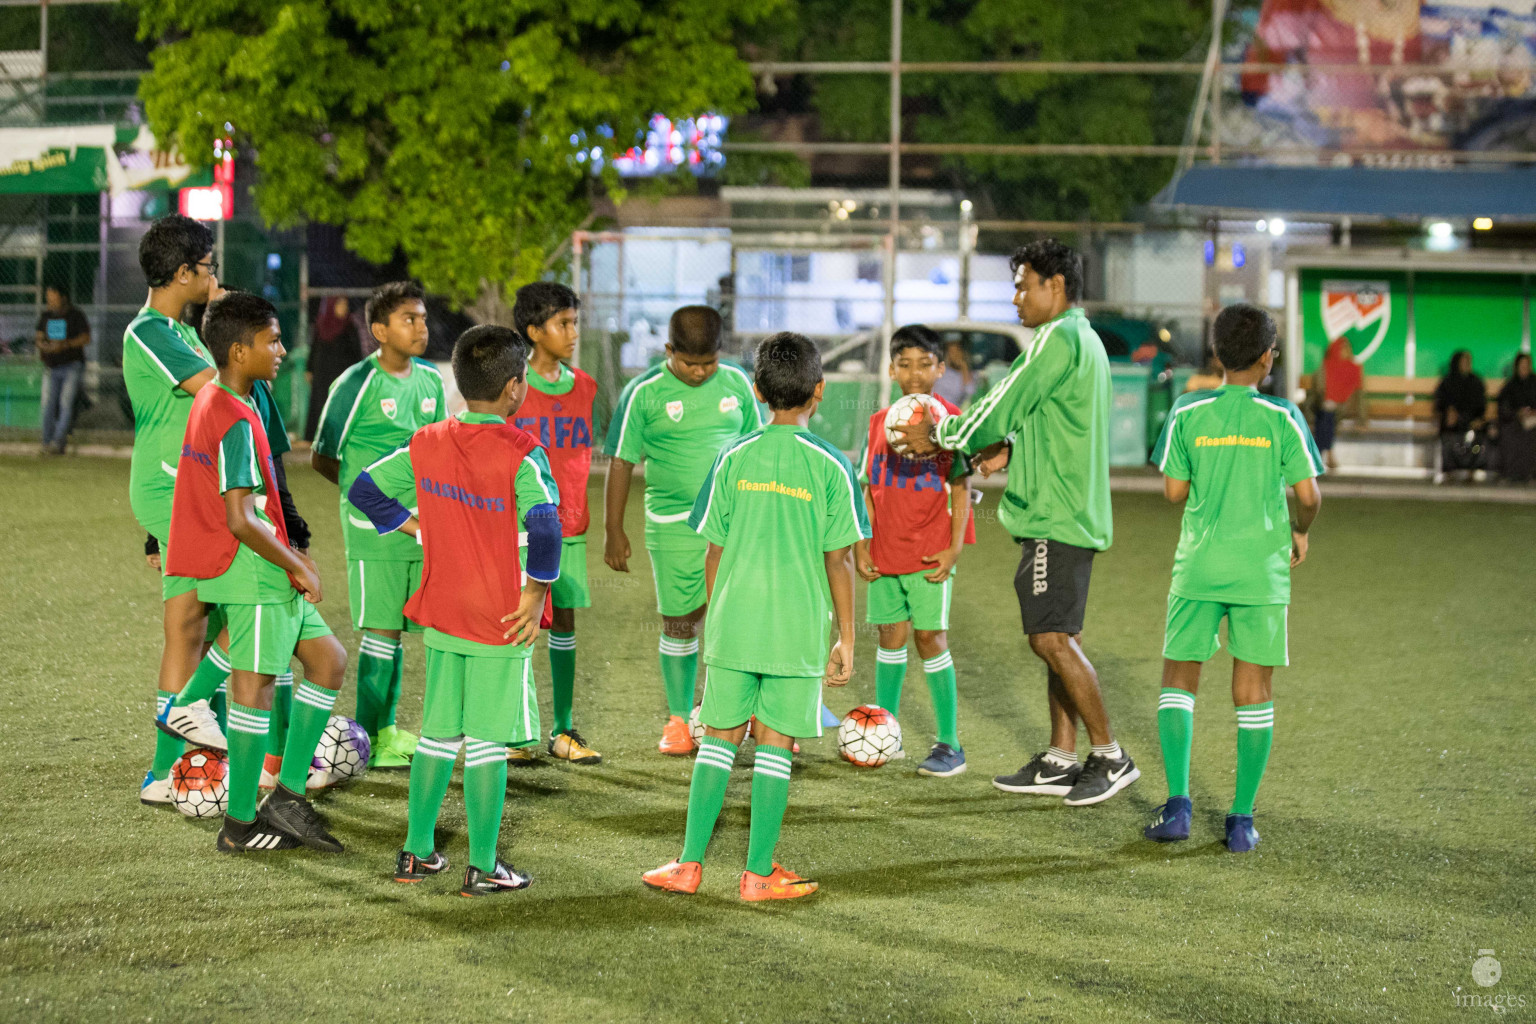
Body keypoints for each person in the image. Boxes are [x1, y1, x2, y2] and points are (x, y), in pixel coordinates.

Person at [892, 238, 1138, 807]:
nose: (1016, 298)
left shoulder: (1057, 337)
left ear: (1056, 285)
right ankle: (1059, 757)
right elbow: (1049, 418)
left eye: (1024, 285)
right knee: (1059, 636)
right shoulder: (1085, 340)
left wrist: (943, 435)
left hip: (1059, 513)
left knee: (1050, 638)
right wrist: (1013, 448)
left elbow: (1004, 400)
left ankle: (1109, 755)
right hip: (1064, 507)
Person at [642, 331, 867, 901]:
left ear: (760, 391)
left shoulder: (733, 456)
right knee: (774, 746)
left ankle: (688, 866)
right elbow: (838, 560)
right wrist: (846, 638)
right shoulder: (832, 465)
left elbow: (713, 550)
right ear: (819, 391)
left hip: (733, 625)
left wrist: (719, 616)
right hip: (796, 631)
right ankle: (758, 874)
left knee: (718, 740)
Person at [348, 325, 561, 896]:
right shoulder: (523, 451)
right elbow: (545, 525)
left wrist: (414, 526)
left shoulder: (427, 441)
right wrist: (536, 592)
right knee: (489, 742)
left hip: (440, 611)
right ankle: (485, 866)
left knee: (439, 735)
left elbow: (363, 490)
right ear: (516, 388)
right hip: (498, 617)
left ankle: (416, 853)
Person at [168, 291, 348, 854]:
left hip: (253, 566)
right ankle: (240, 824)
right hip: (253, 568)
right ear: (240, 350)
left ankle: (285, 797)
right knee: (255, 688)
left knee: (328, 660)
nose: (282, 349)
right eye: (272, 340)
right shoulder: (231, 417)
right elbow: (241, 519)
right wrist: (298, 562)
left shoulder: (219, 399)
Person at [1144, 303, 1323, 852]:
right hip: (1261, 572)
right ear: (1270, 358)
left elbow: (1174, 493)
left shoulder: (1188, 411)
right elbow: (1310, 497)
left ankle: (1177, 806)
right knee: (1254, 692)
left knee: (1180, 680)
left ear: (1217, 354)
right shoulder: (1283, 417)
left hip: (1199, 566)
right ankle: (1241, 821)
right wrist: (1299, 530)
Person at [124, 215, 245, 806]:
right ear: (182, 273)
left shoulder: (181, 329)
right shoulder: (152, 331)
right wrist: (234, 325)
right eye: (208, 268)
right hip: (173, 492)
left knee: (215, 622)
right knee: (189, 627)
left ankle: (204, 756)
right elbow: (220, 391)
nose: (214, 276)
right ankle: (161, 771)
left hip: (190, 491)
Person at [603, 305, 761, 755]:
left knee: (738, 617)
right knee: (680, 621)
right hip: (671, 526)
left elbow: (757, 446)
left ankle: (743, 712)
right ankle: (678, 718)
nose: (698, 371)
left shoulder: (736, 384)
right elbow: (620, 460)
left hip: (734, 524)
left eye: (708, 362)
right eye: (689, 363)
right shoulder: (643, 392)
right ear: (669, 351)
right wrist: (613, 529)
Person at [312, 281, 446, 768]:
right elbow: (323, 456)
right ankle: (367, 736)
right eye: (409, 319)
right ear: (379, 331)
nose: (421, 327)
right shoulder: (355, 383)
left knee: (410, 635)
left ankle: (388, 730)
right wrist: (364, 502)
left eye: (423, 318)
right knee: (380, 635)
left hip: (424, 528)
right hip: (375, 532)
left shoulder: (431, 380)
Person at [855, 324, 975, 777]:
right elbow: (868, 488)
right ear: (891, 369)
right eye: (904, 364)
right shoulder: (877, 423)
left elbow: (961, 489)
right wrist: (862, 544)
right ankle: (888, 734)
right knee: (890, 639)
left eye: (925, 364)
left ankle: (950, 743)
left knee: (929, 639)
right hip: (884, 552)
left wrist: (953, 551)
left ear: (941, 368)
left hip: (929, 553)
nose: (915, 373)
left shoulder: (951, 420)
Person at [509, 282, 602, 765]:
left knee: (563, 621)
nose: (572, 332)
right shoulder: (513, 387)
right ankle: (513, 731)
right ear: (533, 331)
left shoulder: (585, 387)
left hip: (571, 526)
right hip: (522, 528)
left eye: (574, 322)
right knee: (521, 621)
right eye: (561, 324)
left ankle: (562, 730)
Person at [35, 284, 90, 455]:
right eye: (48, 298)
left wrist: (65, 345)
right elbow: (38, 337)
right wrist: (44, 345)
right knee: (47, 404)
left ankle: (57, 443)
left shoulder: (75, 315)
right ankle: (46, 441)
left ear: (63, 297)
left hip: (71, 365)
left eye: (53, 297)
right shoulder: (46, 316)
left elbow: (85, 338)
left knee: (65, 403)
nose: (50, 301)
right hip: (51, 366)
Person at [304, 296, 362, 441]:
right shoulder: (322, 325)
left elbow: (357, 352)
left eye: (345, 305)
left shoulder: (349, 326)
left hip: (343, 375)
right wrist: (309, 369)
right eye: (340, 305)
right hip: (323, 374)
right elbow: (314, 348)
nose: (343, 308)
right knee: (322, 404)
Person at [1434, 350, 1490, 481]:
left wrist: (1478, 419)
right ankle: (1449, 471)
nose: (1466, 365)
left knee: (1480, 435)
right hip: (1454, 422)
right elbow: (1440, 403)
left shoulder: (1475, 382)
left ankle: (1472, 470)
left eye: (1468, 362)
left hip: (1471, 421)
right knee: (1449, 433)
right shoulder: (1447, 382)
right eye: (1463, 362)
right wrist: (1449, 412)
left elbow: (1481, 405)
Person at [1312, 337, 1364, 470]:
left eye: (1347, 348)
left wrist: (1361, 416)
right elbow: (1318, 390)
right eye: (1342, 348)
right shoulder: (1326, 367)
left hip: (1344, 407)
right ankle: (1329, 454)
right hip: (1324, 406)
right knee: (1325, 414)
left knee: (1325, 416)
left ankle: (1318, 455)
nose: (1345, 351)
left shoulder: (1354, 368)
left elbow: (1357, 394)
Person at [1496, 353, 1536, 483]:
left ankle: (1530, 473)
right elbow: (1503, 407)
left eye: (1527, 365)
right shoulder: (1511, 385)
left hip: (1533, 421)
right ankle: (1512, 473)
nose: (1524, 368)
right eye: (1522, 365)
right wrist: (1517, 413)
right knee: (1510, 433)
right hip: (1514, 420)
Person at [930, 338, 975, 408]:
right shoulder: (941, 373)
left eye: (957, 351)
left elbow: (970, 395)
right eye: (952, 352)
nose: (955, 356)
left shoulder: (971, 374)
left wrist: (964, 368)